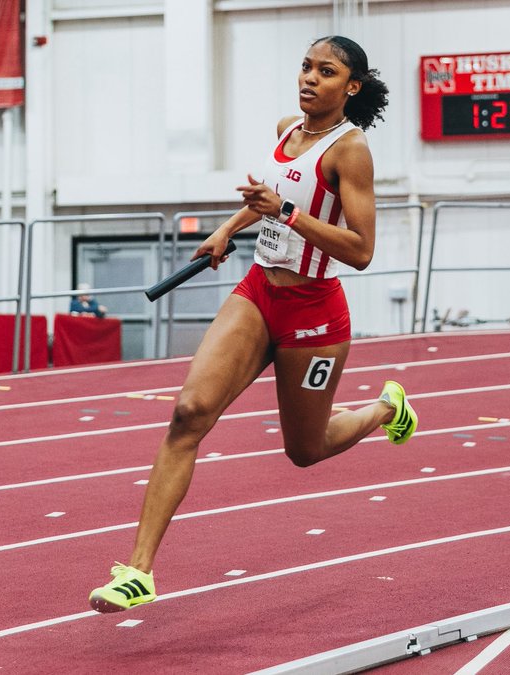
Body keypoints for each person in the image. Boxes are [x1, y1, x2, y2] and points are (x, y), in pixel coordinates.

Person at [89, 35, 413, 613]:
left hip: (314, 313)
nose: (309, 78)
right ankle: (137, 570)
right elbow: (271, 196)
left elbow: (361, 250)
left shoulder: (350, 151)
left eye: (327, 71)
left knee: (305, 450)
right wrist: (227, 228)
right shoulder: (289, 128)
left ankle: (386, 408)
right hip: (259, 291)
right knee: (188, 414)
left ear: (352, 86)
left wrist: (285, 213)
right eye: (306, 66)